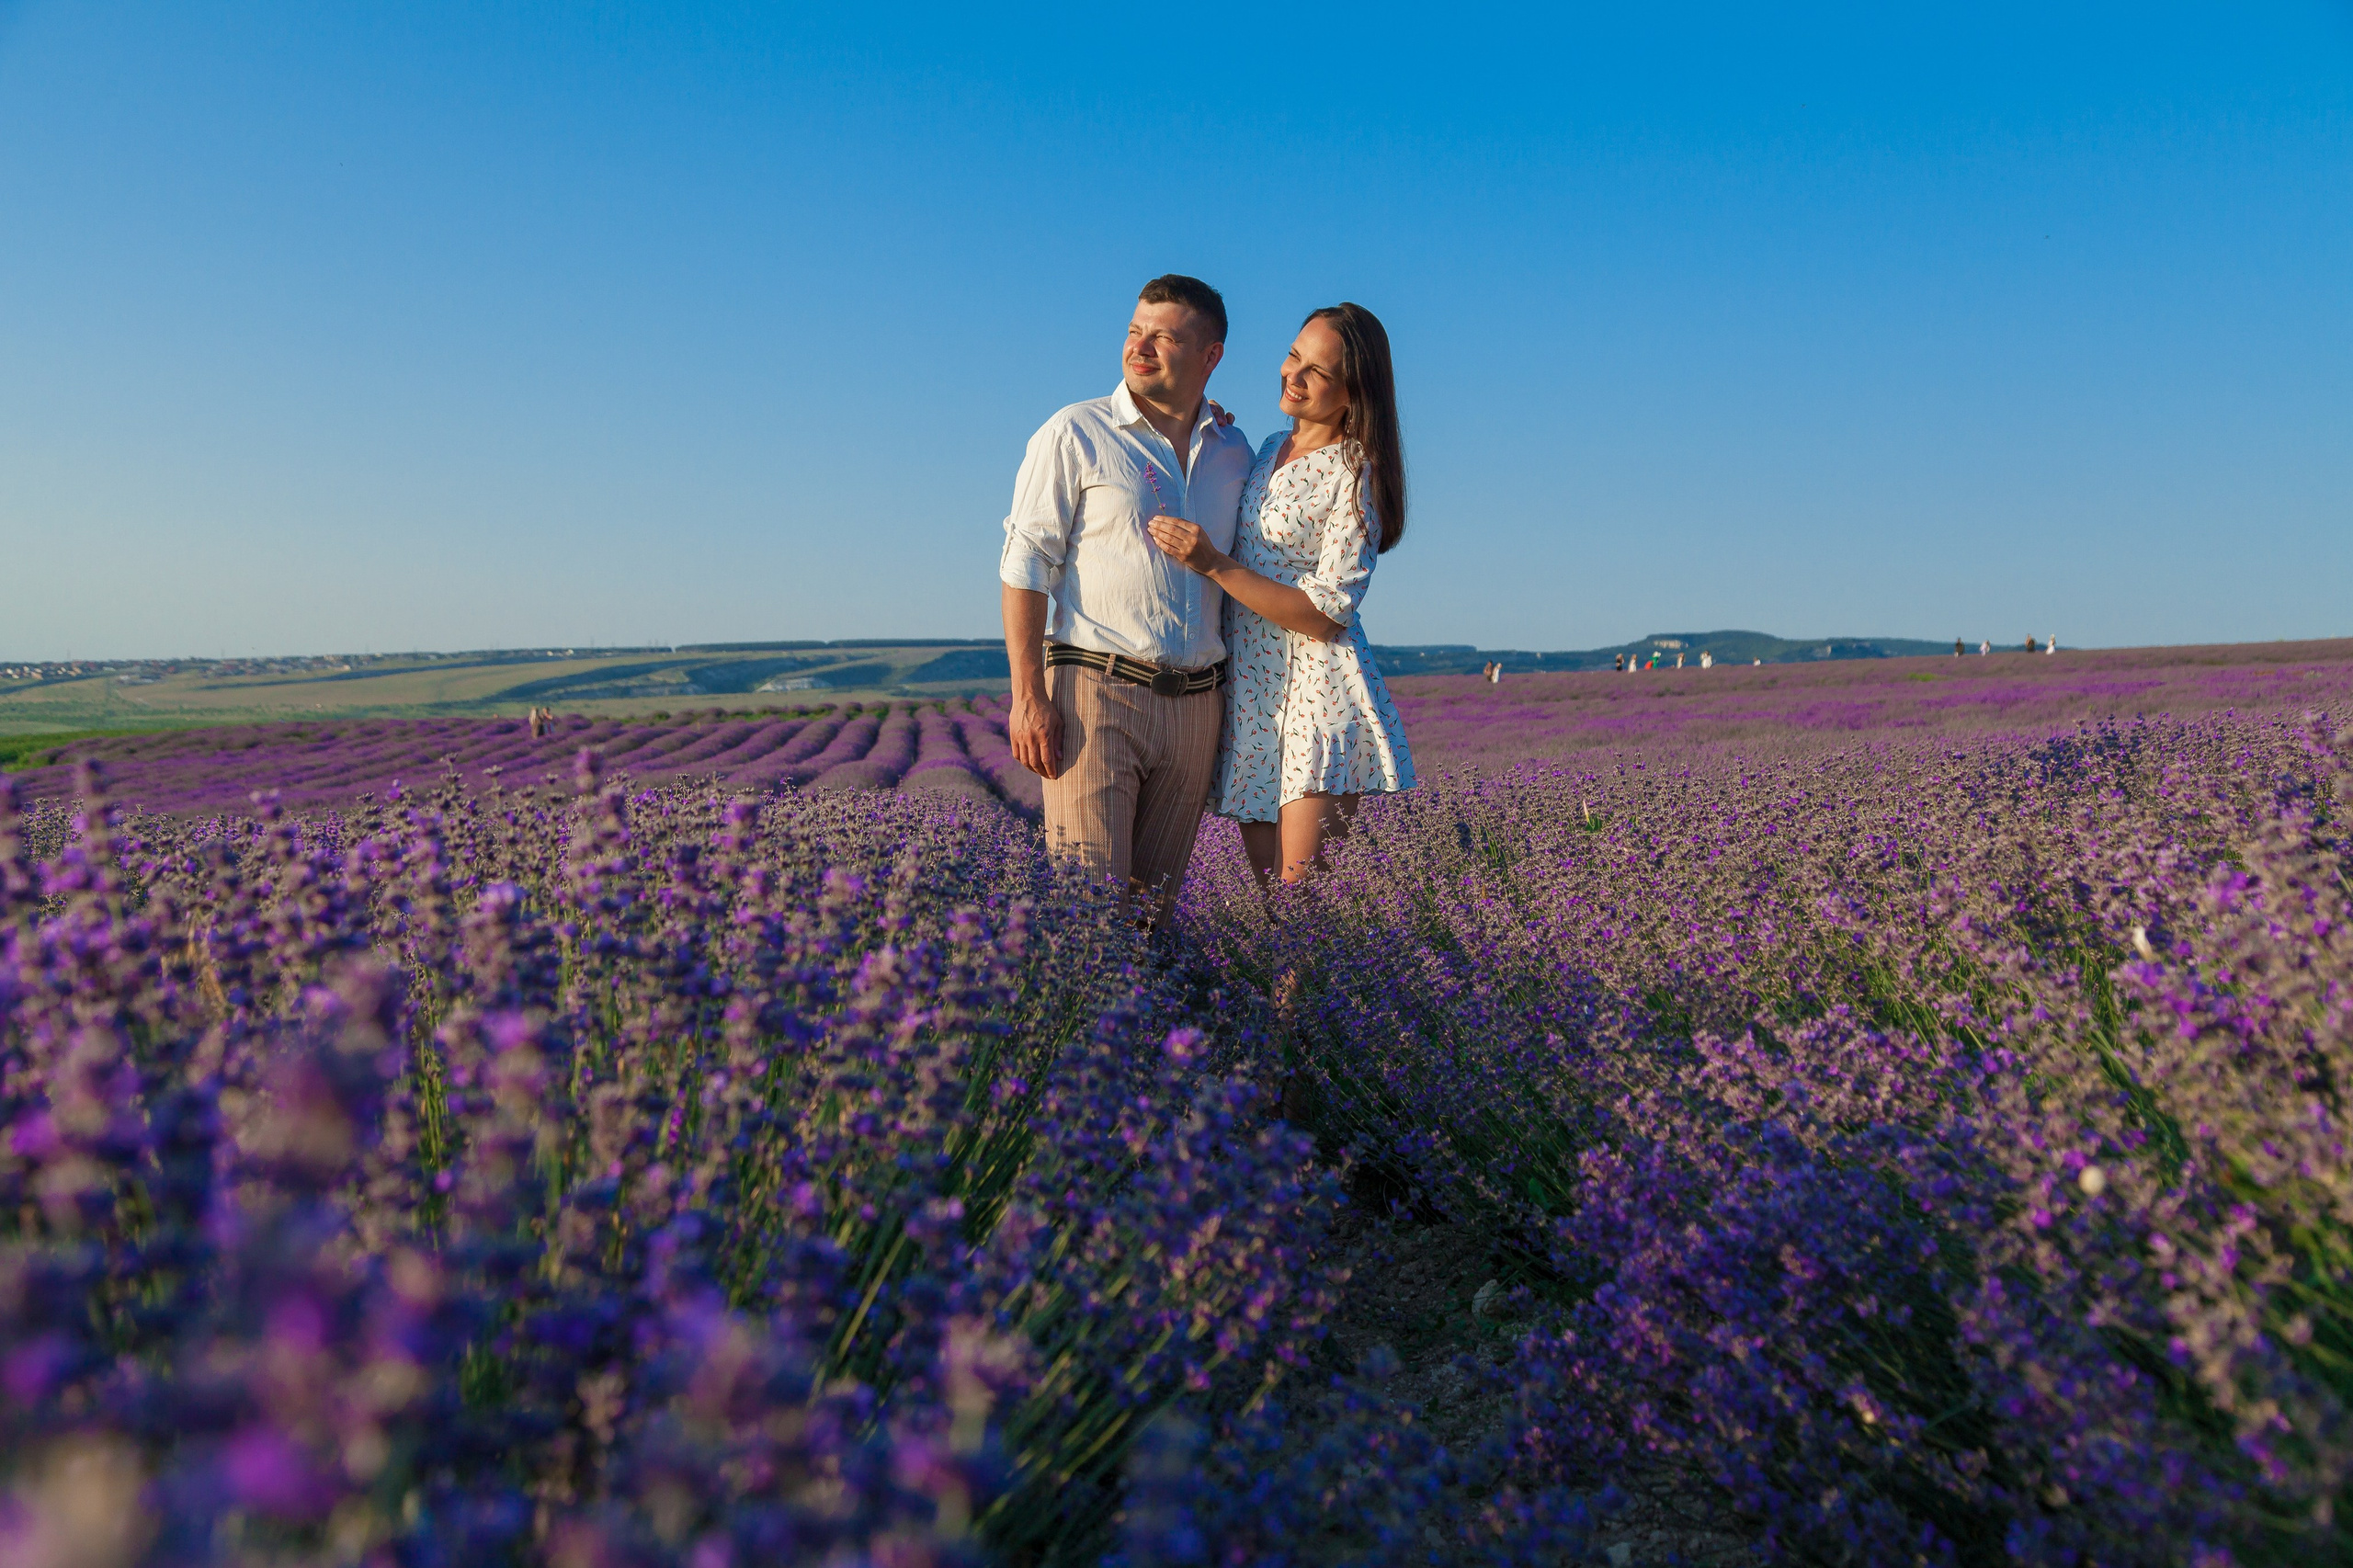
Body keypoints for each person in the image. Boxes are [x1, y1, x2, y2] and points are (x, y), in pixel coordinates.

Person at [999, 275, 1258, 921]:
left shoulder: (1235, 450)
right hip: (1096, 696)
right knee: (1089, 920)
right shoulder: (1075, 431)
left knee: (1150, 924)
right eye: (1134, 331)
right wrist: (1028, 696)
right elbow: (1026, 563)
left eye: (1164, 337)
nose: (1140, 348)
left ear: (1211, 357)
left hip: (1197, 708)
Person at [1146, 302, 1416, 884]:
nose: (1292, 375)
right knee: (1272, 901)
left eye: (1315, 372)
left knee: (1303, 906)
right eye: (1294, 356)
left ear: (1354, 392)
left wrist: (1213, 566)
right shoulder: (1266, 448)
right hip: (1256, 691)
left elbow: (1328, 613)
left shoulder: (1356, 470)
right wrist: (1204, 423)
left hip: (1318, 692)